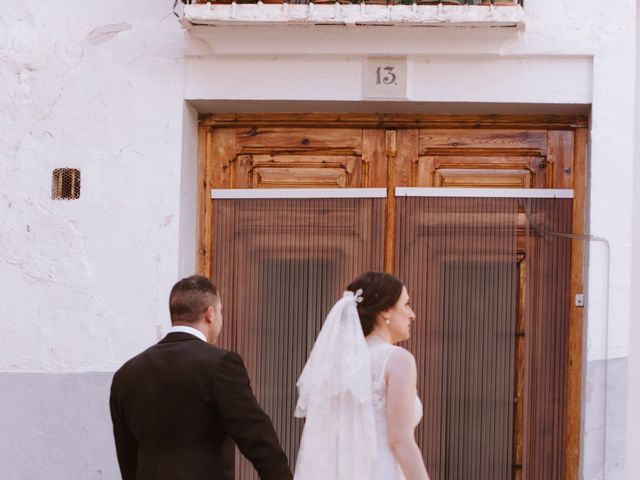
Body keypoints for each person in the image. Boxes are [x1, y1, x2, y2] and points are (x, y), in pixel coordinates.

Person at [109, 275, 293, 480]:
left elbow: (127, 459)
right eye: (221, 311)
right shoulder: (220, 365)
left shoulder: (125, 376)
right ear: (210, 314)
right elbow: (257, 437)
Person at [294, 272, 429, 480]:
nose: (412, 314)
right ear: (385, 311)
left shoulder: (337, 366)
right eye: (406, 305)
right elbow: (400, 440)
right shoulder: (397, 359)